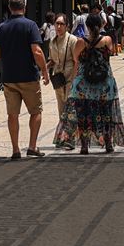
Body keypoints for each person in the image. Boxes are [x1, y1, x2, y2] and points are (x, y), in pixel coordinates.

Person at [54, 14, 124, 153]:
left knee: (83, 115)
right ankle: (108, 144)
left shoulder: (81, 42)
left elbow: (76, 58)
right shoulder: (107, 40)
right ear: (101, 25)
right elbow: (111, 52)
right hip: (105, 83)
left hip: (84, 84)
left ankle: (84, 146)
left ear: (87, 26)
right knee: (106, 114)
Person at [0, 0, 50, 160]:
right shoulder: (31, 25)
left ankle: (15, 149)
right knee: (35, 112)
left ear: (10, 8)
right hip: (29, 77)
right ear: (24, 7)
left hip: (9, 78)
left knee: (12, 114)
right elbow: (37, 51)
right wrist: (44, 71)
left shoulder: (1, 27)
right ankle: (32, 147)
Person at [47, 14, 80, 150]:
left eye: (61, 24)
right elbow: (53, 60)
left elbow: (77, 61)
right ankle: (63, 137)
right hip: (58, 81)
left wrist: (73, 79)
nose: (59, 26)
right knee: (61, 110)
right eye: (57, 24)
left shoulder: (72, 40)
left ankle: (70, 139)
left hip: (69, 79)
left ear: (67, 26)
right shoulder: (53, 41)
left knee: (71, 110)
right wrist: (44, 69)